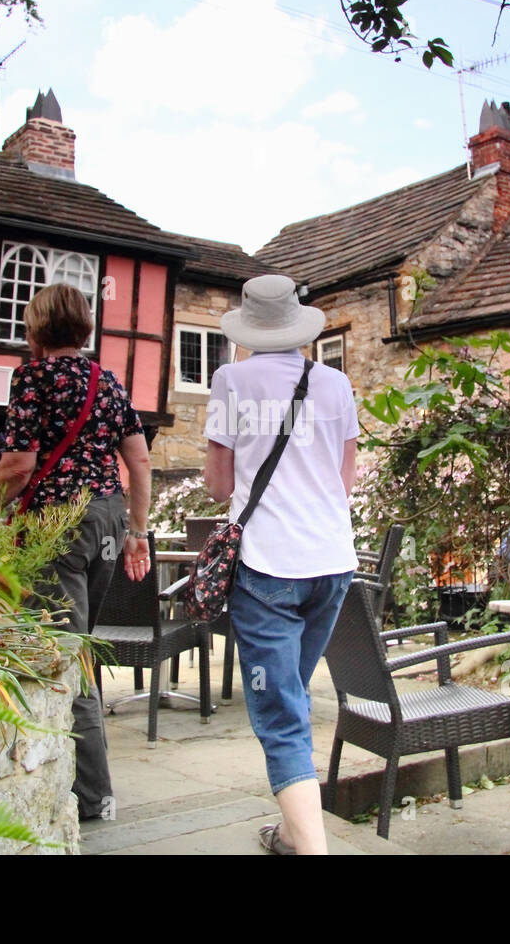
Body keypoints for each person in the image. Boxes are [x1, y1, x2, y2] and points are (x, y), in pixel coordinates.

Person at [0, 282, 152, 820]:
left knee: (63, 656)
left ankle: (91, 794)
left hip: (57, 525)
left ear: (37, 328)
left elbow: (17, 466)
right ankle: (75, 777)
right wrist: (137, 532)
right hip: (105, 518)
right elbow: (140, 463)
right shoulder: (107, 380)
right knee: (79, 649)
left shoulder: (33, 377)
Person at [203, 274, 359, 855]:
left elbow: (220, 487)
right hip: (332, 566)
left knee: (281, 714)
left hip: (267, 568)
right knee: (290, 691)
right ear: (298, 326)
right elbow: (344, 484)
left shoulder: (231, 380)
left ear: (249, 328)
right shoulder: (337, 383)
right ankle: (292, 836)